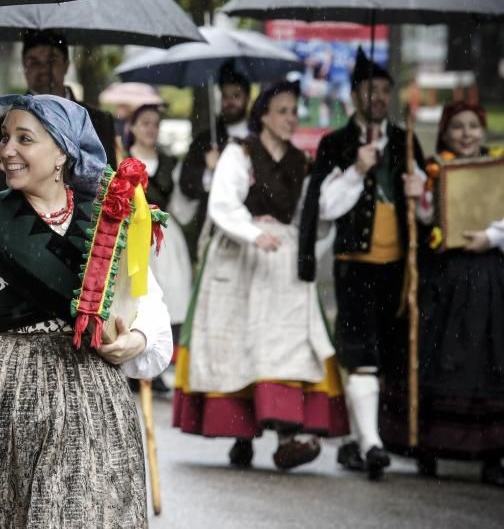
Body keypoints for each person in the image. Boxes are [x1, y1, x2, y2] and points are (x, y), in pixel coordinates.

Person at [0, 94, 173, 527]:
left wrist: (134, 340)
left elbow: (146, 301)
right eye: (4, 138)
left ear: (62, 152)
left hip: (94, 398)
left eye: (24, 139)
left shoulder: (108, 219)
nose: (7, 150)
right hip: (5, 394)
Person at [173, 81, 349, 470]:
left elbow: (311, 218)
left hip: (282, 263)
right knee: (238, 341)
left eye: (294, 111)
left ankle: (288, 438)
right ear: (264, 115)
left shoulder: (301, 161)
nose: (290, 118)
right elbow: (222, 203)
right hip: (239, 258)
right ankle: (240, 433)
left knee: (284, 343)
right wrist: (253, 232)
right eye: (283, 110)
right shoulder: (240, 153)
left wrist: (348, 180)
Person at [298, 48, 427, 481]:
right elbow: (325, 208)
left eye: (385, 91)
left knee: (392, 355)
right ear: (354, 94)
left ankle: (367, 436)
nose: (378, 98)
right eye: (370, 90)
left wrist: (418, 192)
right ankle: (370, 444)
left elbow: (428, 215)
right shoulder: (335, 144)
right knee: (360, 353)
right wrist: (355, 169)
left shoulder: (408, 141)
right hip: (355, 266)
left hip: (399, 269)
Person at [379, 101, 504, 487]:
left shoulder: (498, 168)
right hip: (446, 276)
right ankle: (429, 445)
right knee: (439, 354)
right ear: (446, 134)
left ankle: (492, 453)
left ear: (482, 132)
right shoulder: (434, 169)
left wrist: (492, 236)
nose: (466, 134)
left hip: (490, 276)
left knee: (488, 356)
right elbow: (429, 220)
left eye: (472, 127)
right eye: (457, 128)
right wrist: (418, 197)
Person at [0, 30, 118, 198]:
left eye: (52, 60)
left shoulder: (98, 121)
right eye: (34, 62)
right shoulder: (1, 129)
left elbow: (108, 184)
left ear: (66, 65)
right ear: (24, 67)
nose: (43, 69)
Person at [124, 103, 192, 383]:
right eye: (145, 123)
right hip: (131, 234)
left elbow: (181, 206)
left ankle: (156, 367)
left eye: (155, 124)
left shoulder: (169, 164)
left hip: (162, 235)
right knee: (130, 295)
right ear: (133, 128)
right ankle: (129, 361)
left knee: (166, 294)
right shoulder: (122, 158)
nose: (150, 129)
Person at [177, 60, 252, 258]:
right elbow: (187, 183)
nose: (230, 102)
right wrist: (210, 172)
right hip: (213, 230)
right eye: (225, 96)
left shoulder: (259, 137)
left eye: (236, 96)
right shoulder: (205, 139)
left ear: (247, 98)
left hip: (252, 228)